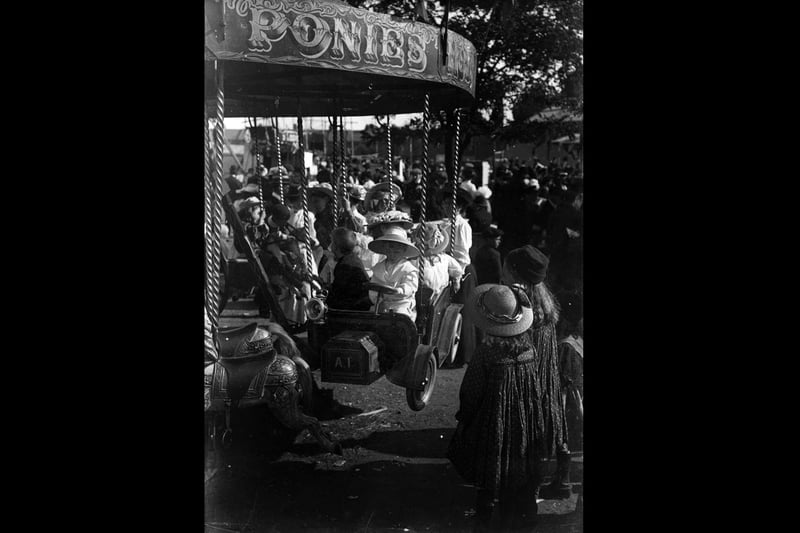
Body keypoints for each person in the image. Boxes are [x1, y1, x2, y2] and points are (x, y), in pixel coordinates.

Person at [448, 284, 542, 531]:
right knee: (517, 475)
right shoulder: (529, 351)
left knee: (489, 477)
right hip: (522, 424)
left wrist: (465, 418)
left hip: (492, 424)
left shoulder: (486, 353)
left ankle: (485, 520)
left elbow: (471, 391)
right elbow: (534, 391)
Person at [501, 245, 571, 501]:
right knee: (549, 422)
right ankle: (557, 479)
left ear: (515, 274)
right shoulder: (545, 303)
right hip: (546, 376)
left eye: (506, 268)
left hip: (525, 379)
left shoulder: (516, 307)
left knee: (524, 430)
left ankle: (524, 487)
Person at [367, 226, 420, 321]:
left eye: (396, 251)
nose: (392, 253)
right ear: (385, 250)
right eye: (389, 250)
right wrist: (378, 300)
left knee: (399, 318)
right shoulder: (378, 267)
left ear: (404, 250)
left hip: (402, 304)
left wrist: (400, 290)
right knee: (370, 317)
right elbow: (373, 288)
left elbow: (411, 286)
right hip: (382, 304)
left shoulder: (408, 268)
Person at [413, 222, 463, 301]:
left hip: (442, 298)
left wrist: (456, 282)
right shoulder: (415, 261)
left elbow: (457, 271)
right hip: (424, 298)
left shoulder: (444, 258)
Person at [325, 227, 371, 311]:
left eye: (332, 242)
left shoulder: (344, 265)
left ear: (336, 246)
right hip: (356, 304)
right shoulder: (352, 259)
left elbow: (337, 294)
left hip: (352, 309)